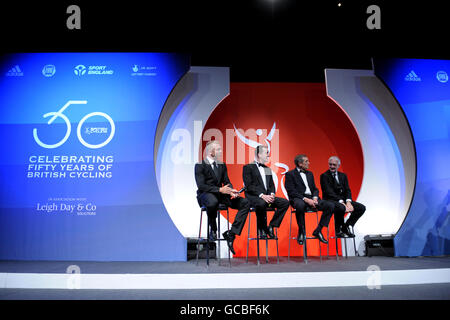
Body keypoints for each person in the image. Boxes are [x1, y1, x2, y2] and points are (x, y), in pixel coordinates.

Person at [194, 140, 250, 254]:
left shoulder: (222, 165)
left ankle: (231, 233)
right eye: (218, 149)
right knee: (212, 202)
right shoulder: (200, 165)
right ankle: (213, 229)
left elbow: (227, 181)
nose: (221, 151)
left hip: (221, 194)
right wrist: (219, 189)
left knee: (246, 203)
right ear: (211, 151)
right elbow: (201, 186)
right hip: (205, 194)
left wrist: (231, 191)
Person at [284, 154, 334, 245]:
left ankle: (318, 231)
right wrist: (306, 199)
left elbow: (314, 189)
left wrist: (315, 197)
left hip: (312, 198)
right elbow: (291, 191)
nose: (309, 163)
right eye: (306, 161)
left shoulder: (310, 174)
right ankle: (302, 231)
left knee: (330, 205)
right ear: (300, 164)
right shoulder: (290, 174)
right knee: (300, 205)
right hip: (299, 198)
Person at [242, 145, 289, 239]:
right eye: (266, 153)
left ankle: (271, 226)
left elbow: (271, 185)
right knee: (261, 203)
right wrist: (262, 195)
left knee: (285, 203)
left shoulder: (267, 169)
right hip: (254, 197)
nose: (268, 155)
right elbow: (249, 186)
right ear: (259, 154)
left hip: (267, 198)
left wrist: (272, 194)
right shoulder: (248, 167)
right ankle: (262, 229)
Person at [320, 156, 366, 238]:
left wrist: (348, 202)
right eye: (330, 164)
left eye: (334, 165)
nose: (332, 167)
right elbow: (329, 192)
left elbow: (347, 189)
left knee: (361, 208)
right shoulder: (324, 176)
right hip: (331, 200)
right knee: (341, 207)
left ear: (338, 165)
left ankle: (347, 226)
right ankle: (338, 230)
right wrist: (342, 202)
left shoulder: (343, 176)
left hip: (344, 200)